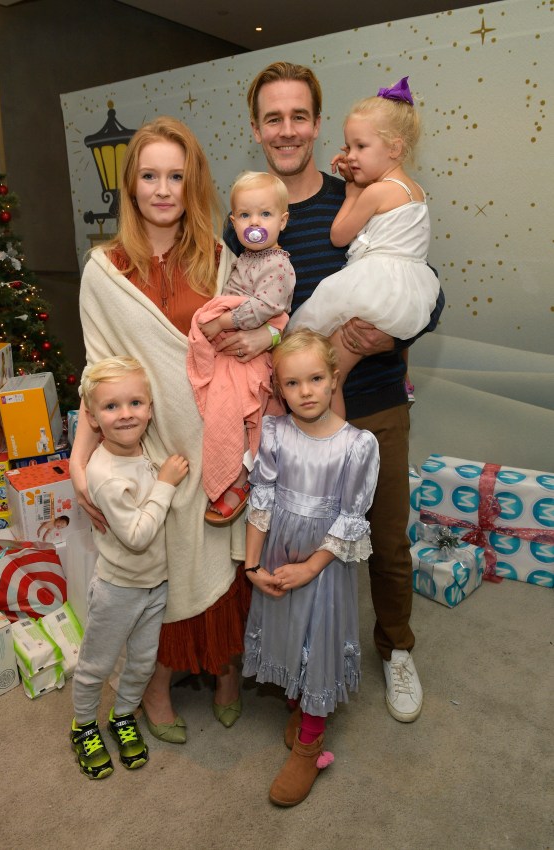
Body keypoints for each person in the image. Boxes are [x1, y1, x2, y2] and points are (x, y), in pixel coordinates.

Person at [224, 61, 446, 723]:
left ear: (317, 124)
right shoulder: (246, 212)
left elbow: (422, 289)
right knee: (299, 543)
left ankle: (396, 647)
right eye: (273, 118)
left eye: (299, 116)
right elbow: (234, 307)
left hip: (374, 397)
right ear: (258, 128)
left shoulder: (366, 189)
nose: (287, 130)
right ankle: (300, 658)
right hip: (292, 419)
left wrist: (387, 338)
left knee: (386, 540)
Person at [70, 116, 250, 745]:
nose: (163, 188)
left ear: (193, 182)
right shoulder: (104, 269)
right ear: (131, 184)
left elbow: (243, 356)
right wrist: (77, 464)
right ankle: (155, 686)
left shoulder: (224, 259)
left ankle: (227, 673)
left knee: (223, 562)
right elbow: (99, 376)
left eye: (176, 175)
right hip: (149, 452)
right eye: (150, 175)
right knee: (161, 568)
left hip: (218, 443)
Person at [243, 329, 379, 806]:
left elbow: (349, 518)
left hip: (324, 560)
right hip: (279, 553)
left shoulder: (357, 445)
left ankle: (310, 744)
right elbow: (261, 498)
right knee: (287, 630)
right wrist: (253, 564)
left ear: (333, 378)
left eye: (316, 379)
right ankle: (298, 704)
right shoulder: (275, 432)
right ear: (280, 389)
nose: (305, 392)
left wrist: (312, 568)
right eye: (293, 383)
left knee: (317, 641)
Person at [289, 77, 440, 418]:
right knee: (325, 369)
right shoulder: (415, 190)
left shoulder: (374, 192)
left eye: (360, 147)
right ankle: (405, 386)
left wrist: (352, 189)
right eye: (348, 147)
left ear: (395, 149)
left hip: (375, 287)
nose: (350, 156)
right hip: (409, 291)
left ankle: (333, 444)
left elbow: (339, 235)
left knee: (329, 377)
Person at [70, 356, 188, 780]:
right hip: (119, 587)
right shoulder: (103, 473)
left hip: (155, 585)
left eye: (136, 402)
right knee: (97, 664)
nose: (126, 415)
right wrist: (166, 485)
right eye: (111, 407)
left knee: (142, 662)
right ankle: (83, 726)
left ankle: (123, 716)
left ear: (151, 408)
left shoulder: (146, 449)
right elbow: (137, 536)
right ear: (93, 418)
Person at [187, 170, 295, 525]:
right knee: (219, 397)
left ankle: (240, 478)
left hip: (260, 347)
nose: (255, 223)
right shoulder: (241, 259)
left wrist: (221, 322)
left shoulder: (278, 263)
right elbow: (228, 296)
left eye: (265, 215)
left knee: (237, 407)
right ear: (233, 222)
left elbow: (266, 307)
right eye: (245, 215)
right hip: (236, 343)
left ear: (282, 220)